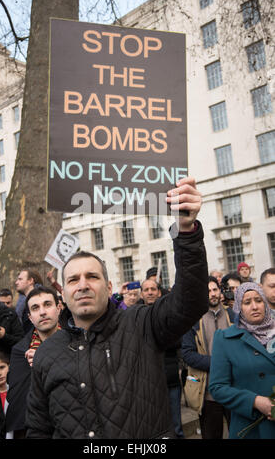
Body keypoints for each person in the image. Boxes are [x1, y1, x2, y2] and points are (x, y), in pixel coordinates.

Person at [25, 176, 209, 439]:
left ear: (109, 288)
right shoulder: (46, 355)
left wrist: (187, 231)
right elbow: (38, 429)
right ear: (63, 294)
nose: (83, 285)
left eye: (93, 277)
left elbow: (191, 301)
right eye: (73, 280)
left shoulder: (142, 325)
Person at [209, 282, 275, 439]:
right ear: (239, 306)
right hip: (251, 428)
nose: (254, 307)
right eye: (247, 302)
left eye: (258, 300)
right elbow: (218, 387)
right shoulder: (224, 339)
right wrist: (255, 401)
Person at [181, 276, 234, 439]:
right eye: (208, 291)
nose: (212, 294)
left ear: (220, 291)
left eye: (215, 290)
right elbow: (188, 354)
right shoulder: (192, 320)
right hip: (207, 393)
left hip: (235, 389)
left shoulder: (233, 315)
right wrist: (218, 363)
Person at [5, 286, 61, 439]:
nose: (42, 312)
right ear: (30, 317)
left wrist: (45, 358)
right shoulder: (19, 351)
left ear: (59, 308)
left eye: (47, 304)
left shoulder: (77, 342)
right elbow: (18, 399)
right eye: (35, 308)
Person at [15, 268, 43, 333]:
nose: (16, 282)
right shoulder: (24, 303)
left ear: (30, 281)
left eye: (20, 279)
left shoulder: (40, 299)